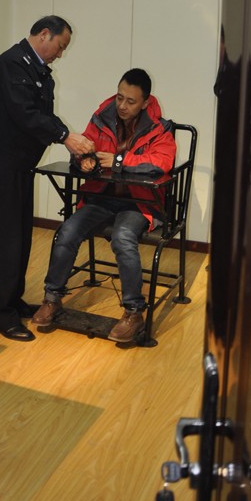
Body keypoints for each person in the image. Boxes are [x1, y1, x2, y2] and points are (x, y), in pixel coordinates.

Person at [32, 68, 176, 344]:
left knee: (123, 237)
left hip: (138, 202)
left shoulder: (160, 128)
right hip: (100, 197)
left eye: (131, 101)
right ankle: (52, 299)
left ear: (145, 102)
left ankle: (133, 312)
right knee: (67, 231)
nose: (122, 105)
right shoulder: (101, 118)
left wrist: (120, 161)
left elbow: (161, 163)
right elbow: (82, 148)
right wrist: (83, 161)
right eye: (120, 97)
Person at [0, 15, 93, 342]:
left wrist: (67, 138)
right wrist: (65, 136)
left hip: (17, 166)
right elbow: (25, 114)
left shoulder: (34, 69)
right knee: (2, 242)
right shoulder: (12, 64)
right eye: (60, 46)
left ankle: (12, 300)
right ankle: (0, 314)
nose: (60, 54)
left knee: (20, 237)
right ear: (44, 34)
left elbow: (43, 115)